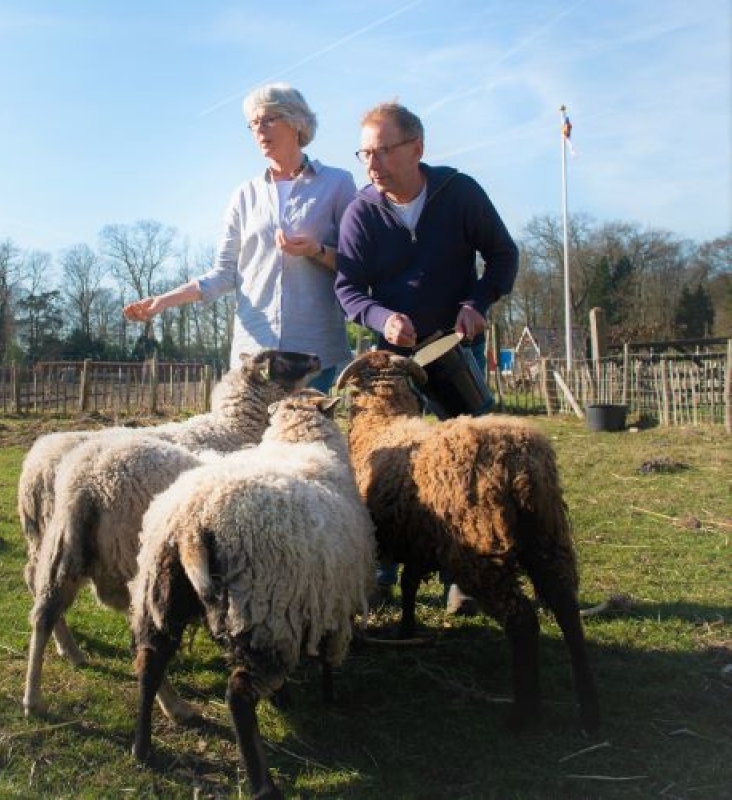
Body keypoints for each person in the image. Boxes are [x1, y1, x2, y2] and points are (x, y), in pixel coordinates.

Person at [334, 101, 519, 613]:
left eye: (383, 151)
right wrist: (380, 318)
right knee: (390, 462)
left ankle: (467, 574)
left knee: (471, 460)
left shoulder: (459, 193)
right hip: (393, 362)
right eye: (364, 153)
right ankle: (381, 569)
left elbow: (504, 255)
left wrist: (477, 303)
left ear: (417, 147)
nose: (372, 164)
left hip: (457, 346)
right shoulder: (361, 212)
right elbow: (348, 289)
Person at [124, 84, 355, 393]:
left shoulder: (338, 184)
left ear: (296, 122)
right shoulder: (244, 195)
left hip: (312, 353)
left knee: (306, 438)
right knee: (251, 440)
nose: (259, 129)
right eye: (253, 123)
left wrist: (316, 250)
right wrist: (162, 302)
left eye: (269, 119)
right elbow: (223, 274)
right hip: (256, 355)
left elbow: (356, 263)